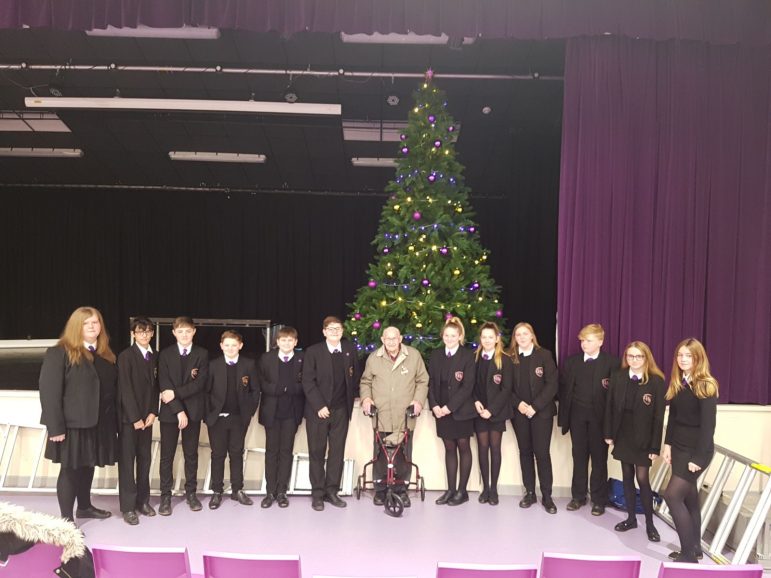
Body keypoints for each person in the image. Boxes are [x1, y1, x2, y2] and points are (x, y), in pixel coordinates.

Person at [39, 306, 118, 522]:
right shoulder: (59, 352)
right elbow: (49, 393)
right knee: (70, 470)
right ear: (77, 327)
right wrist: (55, 427)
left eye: (96, 322)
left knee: (88, 466)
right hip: (72, 425)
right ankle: (66, 520)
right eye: (87, 323)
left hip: (99, 424)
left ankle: (84, 507)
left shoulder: (106, 355)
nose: (93, 326)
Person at [662, 338, 718, 563]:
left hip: (696, 451)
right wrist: (667, 445)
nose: (683, 359)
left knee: (672, 495)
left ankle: (688, 555)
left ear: (698, 358)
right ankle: (694, 548)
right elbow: (673, 418)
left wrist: (699, 457)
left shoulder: (706, 384)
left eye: (688, 356)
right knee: (690, 499)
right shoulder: (679, 382)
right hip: (679, 447)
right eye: (680, 355)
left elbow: (708, 427)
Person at [359, 326, 428, 507]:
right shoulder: (374, 358)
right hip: (381, 415)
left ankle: (401, 490)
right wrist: (366, 399)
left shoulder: (413, 356)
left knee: (403, 455)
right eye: (387, 338)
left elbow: (423, 381)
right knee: (380, 455)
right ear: (382, 339)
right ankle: (380, 490)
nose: (391, 341)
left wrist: (418, 401)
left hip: (405, 415)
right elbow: (365, 381)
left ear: (400, 338)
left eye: (394, 338)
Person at [604, 341, 665, 542]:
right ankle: (631, 519)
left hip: (644, 439)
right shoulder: (619, 377)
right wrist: (609, 433)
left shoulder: (656, 381)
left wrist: (655, 446)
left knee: (642, 479)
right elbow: (610, 407)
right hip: (623, 434)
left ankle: (650, 523)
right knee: (627, 476)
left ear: (646, 358)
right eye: (630, 356)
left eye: (638, 356)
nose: (634, 360)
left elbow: (658, 417)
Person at [558, 323, 620, 516]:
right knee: (579, 457)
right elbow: (564, 391)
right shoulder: (572, 362)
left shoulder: (612, 363)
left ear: (600, 342)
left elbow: (614, 397)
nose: (584, 344)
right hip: (577, 417)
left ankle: (599, 500)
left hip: (600, 420)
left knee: (599, 460)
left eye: (589, 340)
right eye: (583, 340)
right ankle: (578, 496)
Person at [302, 316, 361, 511]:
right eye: (331, 329)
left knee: (337, 452)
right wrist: (319, 405)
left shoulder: (349, 350)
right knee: (317, 452)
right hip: (318, 411)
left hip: (341, 410)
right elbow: (308, 382)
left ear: (342, 331)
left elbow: (354, 377)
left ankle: (332, 491)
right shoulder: (313, 352)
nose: (335, 331)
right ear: (324, 332)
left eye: (338, 328)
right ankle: (317, 493)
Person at [157, 316, 209, 515]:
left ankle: (191, 494)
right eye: (180, 331)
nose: (184, 335)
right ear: (174, 333)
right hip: (171, 412)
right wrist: (178, 410)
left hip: (193, 412)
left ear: (194, 331)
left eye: (188, 331)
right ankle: (165, 497)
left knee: (191, 455)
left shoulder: (202, 354)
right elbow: (165, 385)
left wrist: (177, 395)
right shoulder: (165, 354)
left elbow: (199, 384)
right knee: (166, 456)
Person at [205, 330, 259, 509]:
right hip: (217, 419)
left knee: (236, 454)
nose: (230, 348)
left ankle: (237, 489)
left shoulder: (249, 365)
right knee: (218, 455)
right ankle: (217, 491)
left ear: (240, 346)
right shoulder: (213, 365)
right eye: (226, 345)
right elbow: (206, 392)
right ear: (221, 346)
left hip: (238, 418)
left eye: (234, 345)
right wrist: (209, 413)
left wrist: (248, 412)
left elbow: (254, 391)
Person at [507, 322, 558, 514]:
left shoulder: (544, 355)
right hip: (519, 412)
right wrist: (518, 404)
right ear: (515, 338)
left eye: (525, 333)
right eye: (518, 334)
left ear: (532, 335)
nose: (521, 337)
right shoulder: (510, 357)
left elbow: (552, 384)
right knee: (525, 452)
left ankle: (547, 495)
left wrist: (535, 406)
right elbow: (505, 386)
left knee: (542, 454)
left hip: (541, 412)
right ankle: (530, 492)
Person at [428, 317, 476, 506]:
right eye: (446, 335)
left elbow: (467, 386)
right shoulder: (436, 354)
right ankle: (450, 490)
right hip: (441, 411)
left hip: (460, 411)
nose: (449, 338)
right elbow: (431, 382)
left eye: (453, 335)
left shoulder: (467, 356)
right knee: (449, 448)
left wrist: (449, 407)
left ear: (460, 336)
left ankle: (462, 491)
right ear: (443, 336)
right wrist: (434, 406)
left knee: (463, 447)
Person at [116, 317, 159, 525]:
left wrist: (153, 412)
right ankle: (128, 507)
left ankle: (143, 501)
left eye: (148, 331)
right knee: (127, 463)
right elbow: (125, 389)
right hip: (129, 420)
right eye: (140, 331)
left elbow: (155, 388)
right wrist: (135, 418)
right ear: (133, 334)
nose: (145, 335)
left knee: (144, 461)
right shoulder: (125, 356)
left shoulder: (153, 356)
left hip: (147, 419)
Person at [257, 326, 305, 509]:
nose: (286, 343)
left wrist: (290, 389)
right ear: (277, 342)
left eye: (290, 340)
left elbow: (307, 382)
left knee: (286, 453)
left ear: (295, 342)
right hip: (272, 413)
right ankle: (270, 492)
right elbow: (260, 381)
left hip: (291, 414)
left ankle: (282, 492)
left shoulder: (302, 358)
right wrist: (278, 389)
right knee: (271, 453)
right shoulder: (266, 358)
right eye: (283, 340)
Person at [472, 322, 513, 506]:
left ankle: (494, 489)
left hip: (496, 412)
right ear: (480, 339)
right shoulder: (474, 358)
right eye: (484, 337)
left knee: (495, 449)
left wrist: (492, 410)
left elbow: (506, 389)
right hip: (479, 412)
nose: (487, 340)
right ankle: (485, 488)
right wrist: (476, 402)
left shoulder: (504, 359)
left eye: (491, 337)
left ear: (497, 339)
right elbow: (470, 385)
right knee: (482, 448)